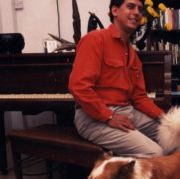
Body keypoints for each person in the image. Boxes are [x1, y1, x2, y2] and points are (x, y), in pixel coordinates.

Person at [68, 0, 164, 158]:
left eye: (140, 9)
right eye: (131, 6)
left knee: (174, 136)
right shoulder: (95, 39)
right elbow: (78, 87)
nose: (137, 13)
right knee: (155, 153)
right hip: (93, 117)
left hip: (127, 111)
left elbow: (139, 97)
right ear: (115, 11)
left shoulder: (132, 54)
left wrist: (166, 119)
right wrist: (109, 116)